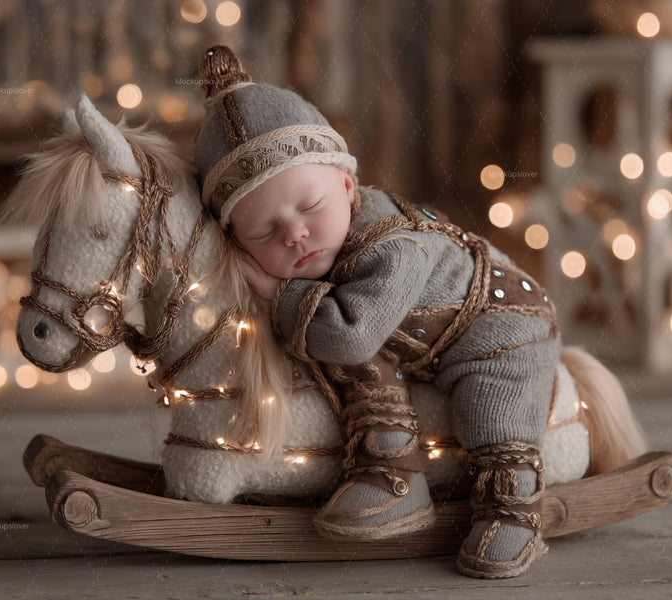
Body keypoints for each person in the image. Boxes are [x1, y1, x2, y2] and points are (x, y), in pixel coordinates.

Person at [195, 46, 558, 579]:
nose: (294, 234)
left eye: (310, 208)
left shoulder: (391, 245)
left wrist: (279, 292)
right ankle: (391, 473)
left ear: (346, 186)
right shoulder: (322, 258)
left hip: (501, 326)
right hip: (420, 340)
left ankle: (513, 505)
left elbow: (352, 336)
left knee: (489, 408)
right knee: (330, 343)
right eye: (264, 232)